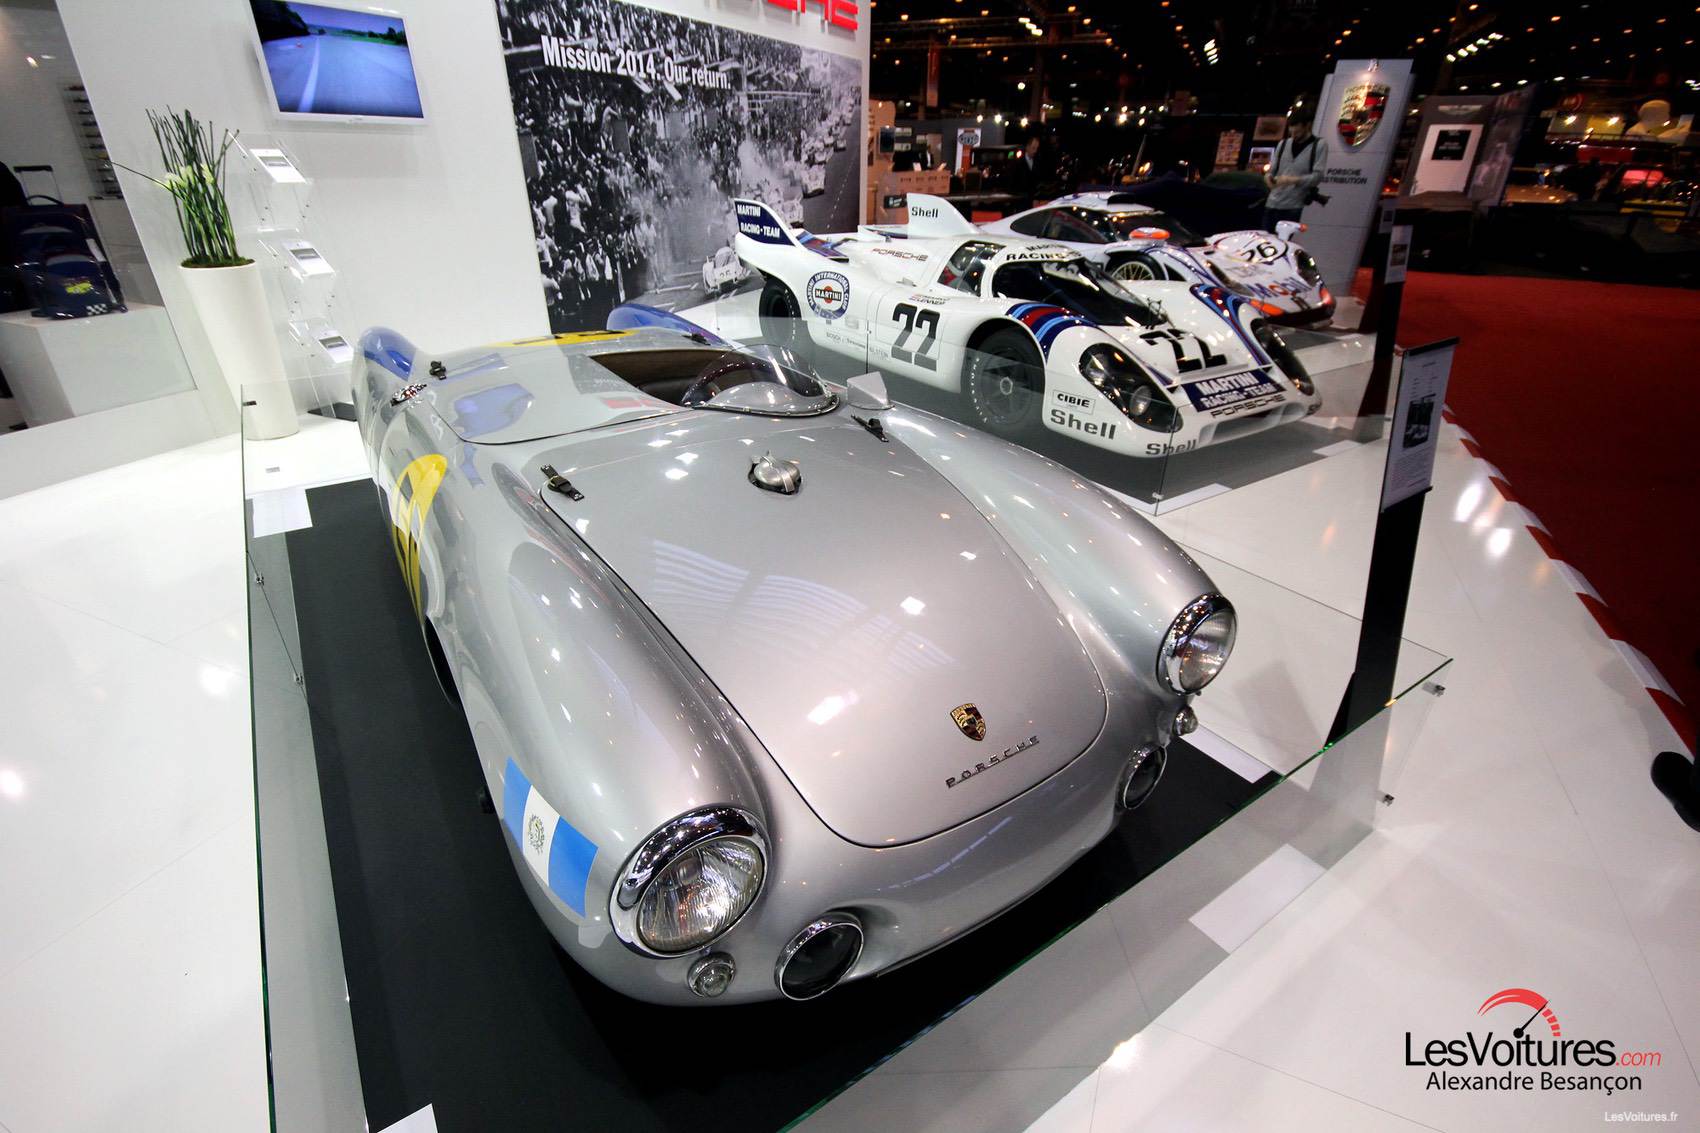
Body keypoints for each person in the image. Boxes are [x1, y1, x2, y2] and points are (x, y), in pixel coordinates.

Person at [1263, 118, 1326, 232]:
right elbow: (1271, 170)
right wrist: (1268, 178)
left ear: (1307, 126)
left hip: (1293, 205)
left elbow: (1317, 177)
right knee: (1267, 238)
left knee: (1284, 239)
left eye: (1297, 132)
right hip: (1272, 202)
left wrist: (1292, 180)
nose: (1294, 136)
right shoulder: (1283, 144)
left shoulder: (1319, 145)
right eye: (1291, 132)